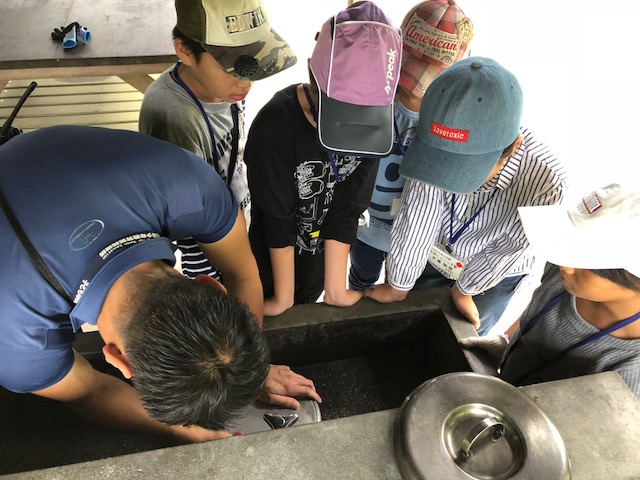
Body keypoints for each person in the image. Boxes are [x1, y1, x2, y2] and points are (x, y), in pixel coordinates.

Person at [0, 126, 320, 443]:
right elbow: (90, 391)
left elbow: (243, 273)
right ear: (117, 359)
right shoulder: (13, 346)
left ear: (212, 286)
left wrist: (248, 372)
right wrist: (193, 433)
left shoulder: (189, 187)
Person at [366, 56, 567, 336]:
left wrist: (465, 290)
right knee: (408, 326)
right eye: (440, 160)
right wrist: (399, 285)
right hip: (434, 249)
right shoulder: (431, 141)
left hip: (494, 270)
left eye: (465, 167)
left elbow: (510, 248)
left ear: (514, 146)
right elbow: (417, 216)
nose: (447, 177)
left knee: (464, 336)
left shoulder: (546, 181)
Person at [244, 1, 402, 316]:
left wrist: (335, 289)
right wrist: (283, 299)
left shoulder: (378, 129)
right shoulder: (274, 125)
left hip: (318, 263)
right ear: (311, 72)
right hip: (270, 262)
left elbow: (347, 207)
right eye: (342, 112)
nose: (354, 132)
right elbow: (278, 220)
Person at [139, 0, 296, 280]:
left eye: (253, 66)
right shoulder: (175, 118)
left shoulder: (223, 89)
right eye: (233, 68)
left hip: (236, 217)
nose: (245, 82)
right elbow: (187, 214)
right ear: (185, 51)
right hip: (209, 249)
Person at [460, 183, 640, 399]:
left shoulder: (630, 371)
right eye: (570, 249)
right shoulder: (566, 273)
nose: (565, 265)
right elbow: (540, 301)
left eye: (585, 261)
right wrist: (507, 340)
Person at [349, 0, 474, 291]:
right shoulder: (369, 95)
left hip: (417, 237)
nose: (414, 93)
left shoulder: (457, 119)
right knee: (361, 280)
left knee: (403, 289)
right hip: (364, 227)